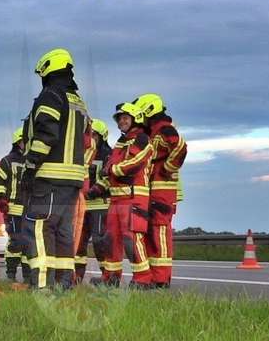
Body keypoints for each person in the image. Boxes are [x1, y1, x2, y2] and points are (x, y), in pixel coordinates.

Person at [19, 48, 92, 290]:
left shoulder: (51, 96)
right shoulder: (78, 102)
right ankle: (63, 286)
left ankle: (42, 286)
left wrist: (31, 166)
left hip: (49, 178)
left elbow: (46, 135)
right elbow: (88, 141)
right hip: (72, 181)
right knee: (63, 233)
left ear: (48, 71)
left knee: (39, 229)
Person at [135, 93, 186, 289]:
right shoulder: (153, 133)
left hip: (162, 192)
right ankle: (154, 278)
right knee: (150, 235)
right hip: (153, 191)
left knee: (160, 235)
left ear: (149, 111)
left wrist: (167, 169)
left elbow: (180, 147)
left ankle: (161, 280)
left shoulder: (164, 129)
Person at [103, 102, 155, 288]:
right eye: (119, 119)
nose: (121, 122)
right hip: (116, 199)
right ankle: (111, 278)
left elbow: (134, 163)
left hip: (134, 198)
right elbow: (108, 165)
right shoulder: (121, 142)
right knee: (111, 239)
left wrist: (113, 170)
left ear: (135, 119)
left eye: (125, 118)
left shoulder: (142, 139)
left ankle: (143, 279)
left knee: (131, 240)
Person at [74, 119, 112, 283]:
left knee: (99, 242)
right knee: (79, 243)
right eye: (89, 135)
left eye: (94, 135)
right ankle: (76, 277)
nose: (91, 138)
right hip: (82, 206)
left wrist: (96, 189)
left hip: (100, 205)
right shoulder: (80, 154)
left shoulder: (108, 154)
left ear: (102, 136)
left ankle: (107, 276)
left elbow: (110, 176)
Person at [0, 127, 31, 283]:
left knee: (29, 243)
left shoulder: (32, 161)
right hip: (13, 208)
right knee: (16, 241)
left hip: (29, 210)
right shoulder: (7, 161)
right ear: (17, 142)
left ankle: (28, 277)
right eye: (24, 141)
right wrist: (1, 200)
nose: (26, 144)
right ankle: (11, 275)